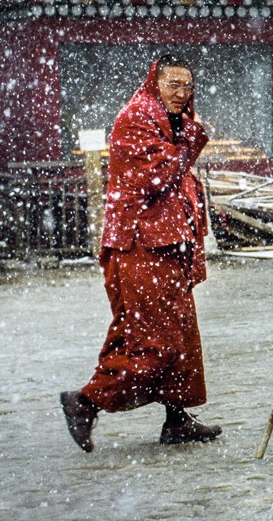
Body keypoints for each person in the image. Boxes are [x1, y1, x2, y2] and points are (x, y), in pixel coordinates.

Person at [60, 53, 221, 452]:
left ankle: (177, 418)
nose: (183, 94)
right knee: (156, 343)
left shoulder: (171, 122)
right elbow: (159, 175)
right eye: (174, 85)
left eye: (187, 86)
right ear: (155, 83)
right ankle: (86, 401)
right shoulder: (136, 119)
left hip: (165, 247)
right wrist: (193, 139)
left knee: (177, 336)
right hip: (139, 247)